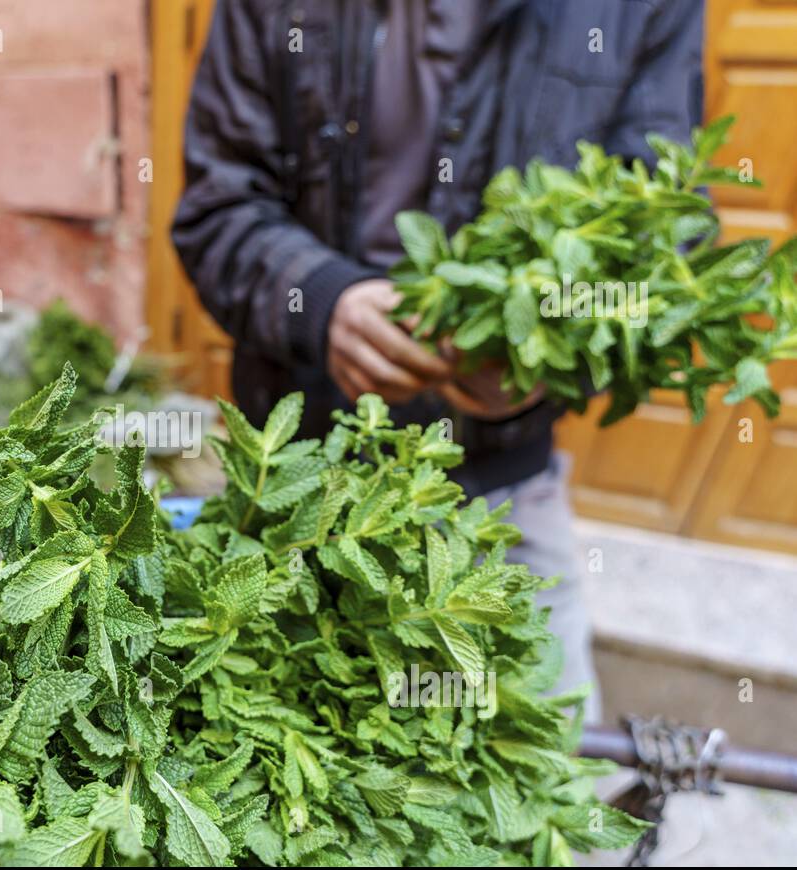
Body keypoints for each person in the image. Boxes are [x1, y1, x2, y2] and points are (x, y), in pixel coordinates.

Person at [172, 0, 706, 721]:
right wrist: (324, 302)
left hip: (496, 488)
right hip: (293, 469)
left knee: (546, 756)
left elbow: (663, 233)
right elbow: (216, 208)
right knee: (269, 718)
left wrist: (543, 357)